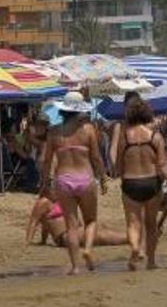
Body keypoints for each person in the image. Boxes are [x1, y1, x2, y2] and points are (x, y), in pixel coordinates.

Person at [40, 91, 108, 275]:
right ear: (80, 111)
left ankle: (76, 266)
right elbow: (96, 158)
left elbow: (46, 161)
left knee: (71, 226)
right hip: (85, 178)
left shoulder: (54, 132)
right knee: (91, 220)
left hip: (63, 179)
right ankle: (87, 249)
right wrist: (103, 178)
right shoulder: (88, 130)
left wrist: (44, 182)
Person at [117, 99, 167, 271]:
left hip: (131, 182)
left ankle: (135, 247)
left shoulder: (125, 136)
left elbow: (119, 164)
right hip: (151, 182)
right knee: (151, 224)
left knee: (133, 223)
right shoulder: (155, 137)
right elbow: (162, 164)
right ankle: (151, 261)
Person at [26, 192, 128, 247]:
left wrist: (43, 241)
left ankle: (132, 236)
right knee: (100, 235)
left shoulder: (61, 199)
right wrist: (28, 243)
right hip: (65, 235)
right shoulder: (43, 202)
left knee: (102, 227)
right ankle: (131, 239)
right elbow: (34, 222)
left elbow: (46, 224)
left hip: (76, 230)